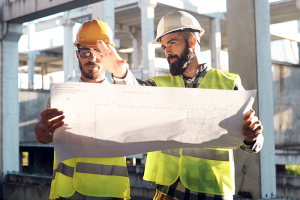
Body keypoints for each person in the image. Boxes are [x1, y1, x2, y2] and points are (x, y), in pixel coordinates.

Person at [95, 11, 264, 200]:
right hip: (168, 191)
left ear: (192, 42)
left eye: (172, 43)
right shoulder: (160, 84)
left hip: (211, 191)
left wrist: (252, 138)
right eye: (164, 46)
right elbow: (135, 95)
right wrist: (120, 72)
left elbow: (252, 144)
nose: (167, 51)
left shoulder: (228, 84)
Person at [35, 19, 131, 200]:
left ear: (108, 54)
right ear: (77, 55)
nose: (92, 58)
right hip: (67, 193)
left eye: (98, 52)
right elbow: (42, 137)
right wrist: (44, 129)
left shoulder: (123, 97)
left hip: (111, 192)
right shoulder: (61, 96)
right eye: (86, 52)